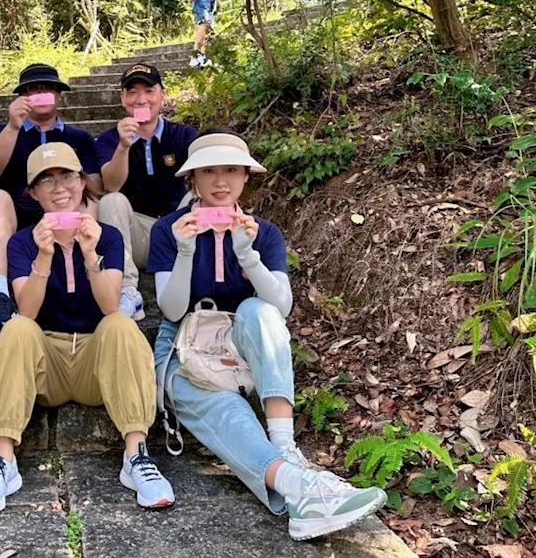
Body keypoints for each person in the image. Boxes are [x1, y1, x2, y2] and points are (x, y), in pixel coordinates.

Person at [147, 129, 386, 541]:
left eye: (231, 170)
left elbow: (281, 307)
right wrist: (185, 251)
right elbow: (170, 310)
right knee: (227, 410)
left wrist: (247, 254)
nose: (220, 181)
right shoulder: (170, 229)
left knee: (259, 310)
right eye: (208, 171)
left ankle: (284, 446)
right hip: (185, 345)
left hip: (243, 343)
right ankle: (299, 488)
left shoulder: (264, 232)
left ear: (245, 177)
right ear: (193, 179)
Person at [0, 142, 174, 514]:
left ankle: (137, 455)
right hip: (47, 362)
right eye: (46, 181)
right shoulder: (22, 242)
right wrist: (44, 256)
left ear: (82, 183)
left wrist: (91, 255)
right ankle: (2, 460)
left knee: (121, 325)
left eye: (67, 177)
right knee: (16, 329)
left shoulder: (107, 236)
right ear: (33, 192)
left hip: (96, 361)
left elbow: (110, 306)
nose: (59, 188)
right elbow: (28, 310)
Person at [0, 64, 102, 335]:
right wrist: (13, 126)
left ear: (58, 95)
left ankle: (88, 269)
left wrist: (68, 172)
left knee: (91, 199)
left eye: (48, 88)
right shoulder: (1, 132)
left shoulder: (79, 138)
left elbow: (96, 185)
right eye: (33, 89)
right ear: (22, 96)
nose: (41, 93)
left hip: (66, 211)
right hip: (17, 212)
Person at [96, 62, 197, 320]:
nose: (141, 99)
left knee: (198, 194)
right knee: (111, 201)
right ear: (122, 98)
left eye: (149, 91)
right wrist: (123, 146)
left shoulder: (183, 135)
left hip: (178, 229)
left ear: (162, 95)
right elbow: (111, 185)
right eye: (132, 92)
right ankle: (127, 289)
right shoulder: (109, 139)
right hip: (138, 234)